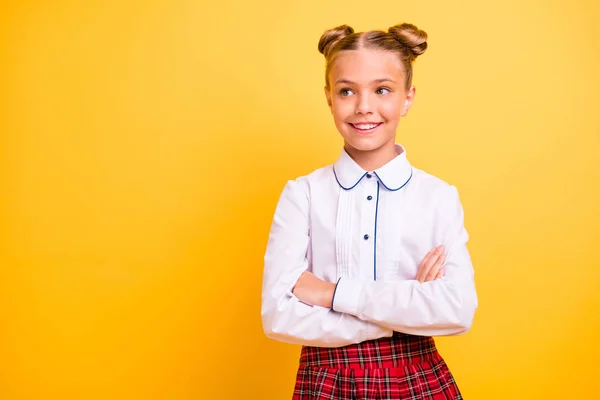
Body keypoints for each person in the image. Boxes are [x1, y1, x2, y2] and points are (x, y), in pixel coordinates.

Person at [261, 22, 478, 399]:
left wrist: (330, 293)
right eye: (347, 91)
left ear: (407, 98)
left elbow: (456, 310)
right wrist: (405, 305)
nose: (364, 107)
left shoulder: (438, 196)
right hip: (326, 382)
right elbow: (279, 316)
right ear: (329, 97)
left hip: (416, 378)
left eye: (382, 90)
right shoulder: (304, 195)